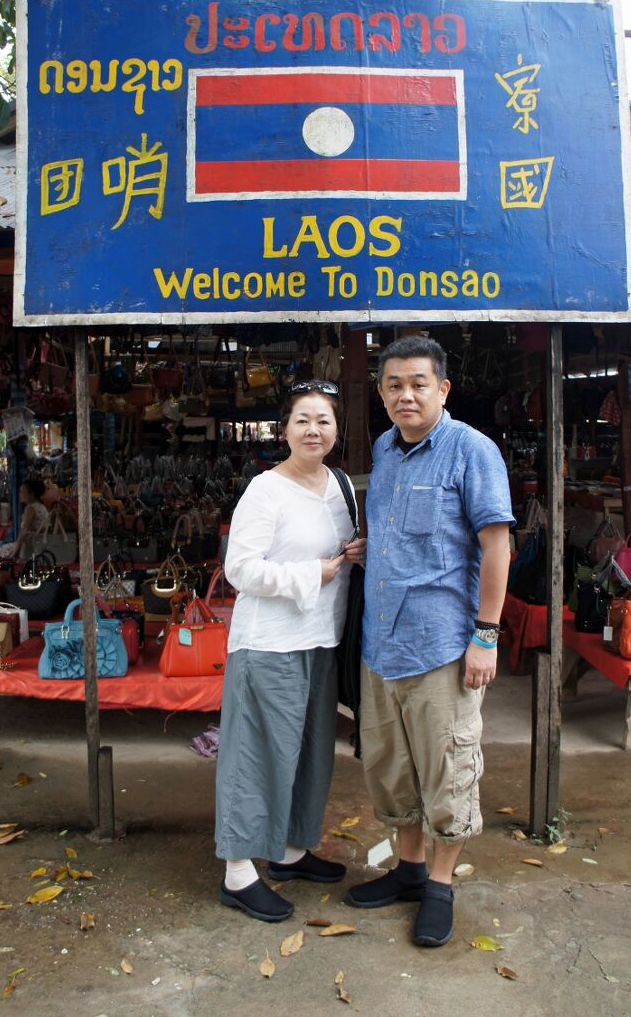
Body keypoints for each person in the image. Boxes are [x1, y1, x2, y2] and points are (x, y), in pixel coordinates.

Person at [345, 335, 514, 948]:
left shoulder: (473, 451)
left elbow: (498, 546)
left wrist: (486, 636)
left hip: (443, 645)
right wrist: (369, 552)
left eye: (418, 383)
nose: (405, 395)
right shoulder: (386, 451)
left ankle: (439, 886)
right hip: (381, 645)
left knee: (447, 770)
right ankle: (409, 871)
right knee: (391, 770)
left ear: (443, 388)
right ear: (383, 393)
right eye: (394, 385)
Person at [215, 380, 367, 923]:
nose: (313, 430)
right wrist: (314, 572)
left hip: (321, 640)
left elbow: (341, 554)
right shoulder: (265, 490)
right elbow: (240, 569)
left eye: (323, 420)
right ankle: (237, 871)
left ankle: (289, 852)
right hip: (271, 644)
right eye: (302, 420)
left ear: (334, 430)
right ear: (284, 430)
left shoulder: (341, 484)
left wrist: (357, 552)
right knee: (256, 755)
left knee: (309, 752)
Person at [0, 478, 49, 561]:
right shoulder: (41, 506)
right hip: (39, 543)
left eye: (22, 492)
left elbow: (24, 532)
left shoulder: (31, 508)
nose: (19, 494)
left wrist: (15, 552)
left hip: (30, 546)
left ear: (32, 494)